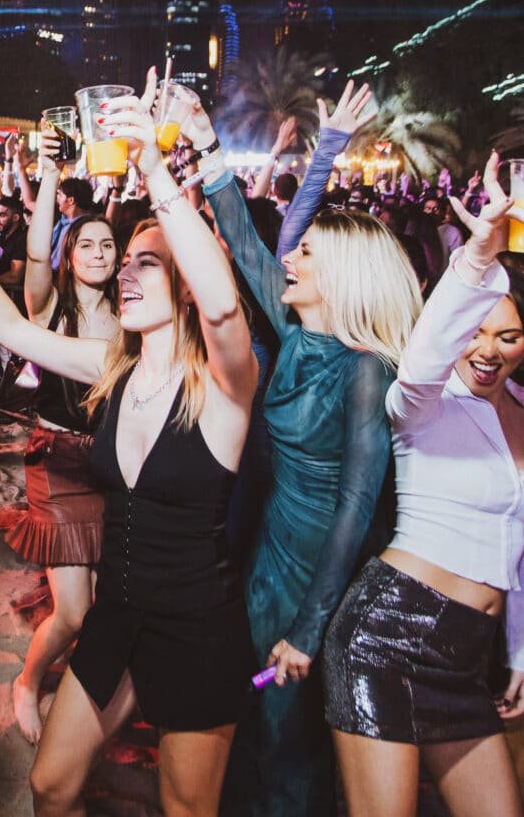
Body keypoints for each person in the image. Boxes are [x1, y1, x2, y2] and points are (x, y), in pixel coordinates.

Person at [0, 67, 257, 815]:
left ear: (184, 280)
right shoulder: (111, 367)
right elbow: (7, 327)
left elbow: (222, 313)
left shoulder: (224, 387)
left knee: (186, 808)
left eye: (144, 264)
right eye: (123, 263)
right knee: (51, 784)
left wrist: (154, 169)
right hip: (116, 616)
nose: (124, 274)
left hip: (194, 628)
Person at [190, 81, 423, 817]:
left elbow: (357, 509)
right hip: (267, 555)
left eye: (307, 254)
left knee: (289, 744)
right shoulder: (295, 337)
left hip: (316, 575)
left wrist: (306, 629)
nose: (288, 258)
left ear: (342, 278)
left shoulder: (364, 372)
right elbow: (242, 223)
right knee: (253, 727)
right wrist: (202, 141)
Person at [323, 151, 524, 817]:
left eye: (509, 336)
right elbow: (419, 364)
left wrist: (520, 650)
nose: (489, 350)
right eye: (475, 332)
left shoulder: (520, 412)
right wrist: (475, 257)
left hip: (466, 657)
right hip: (386, 637)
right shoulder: (424, 403)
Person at [7, 123, 120, 745]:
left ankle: (75, 696)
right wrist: (48, 176)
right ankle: (27, 681)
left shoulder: (132, 315)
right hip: (57, 461)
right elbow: (32, 250)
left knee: (99, 609)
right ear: (69, 254)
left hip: (111, 467)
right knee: (74, 609)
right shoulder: (50, 307)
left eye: (109, 244)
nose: (100, 252)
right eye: (88, 244)